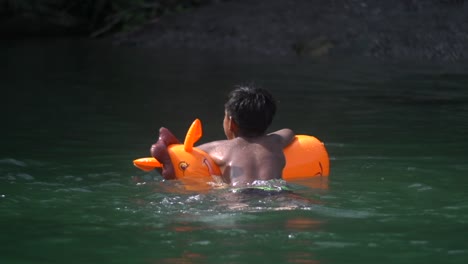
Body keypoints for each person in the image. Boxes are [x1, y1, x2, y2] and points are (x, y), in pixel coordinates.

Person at [197, 85, 295, 186]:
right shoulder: (276, 141)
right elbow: (288, 131)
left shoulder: (220, 148)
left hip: (239, 197)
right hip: (276, 193)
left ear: (231, 123)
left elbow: (187, 153)